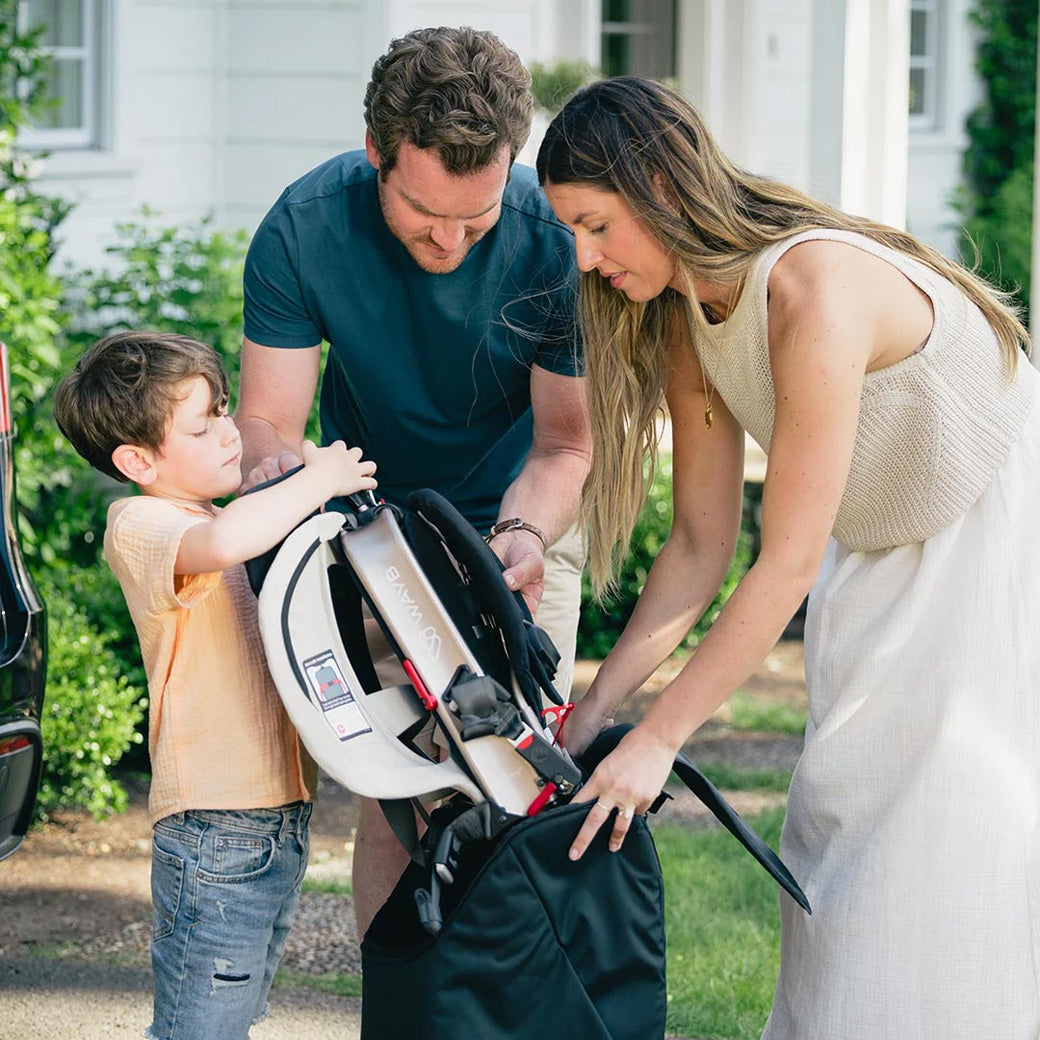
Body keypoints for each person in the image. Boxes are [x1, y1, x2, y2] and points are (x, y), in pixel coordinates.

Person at [536, 77, 1040, 1040]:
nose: (586, 259)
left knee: (941, 829)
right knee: (840, 813)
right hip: (879, 530)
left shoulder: (815, 292)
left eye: (596, 226)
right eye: (572, 234)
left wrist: (661, 739)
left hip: (990, 525)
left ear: (661, 188)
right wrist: (595, 712)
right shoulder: (689, 315)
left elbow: (786, 562)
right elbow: (699, 545)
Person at [235, 25, 591, 938]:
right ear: (376, 152)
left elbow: (564, 446)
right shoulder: (306, 226)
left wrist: (523, 538)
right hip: (372, 525)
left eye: (477, 216)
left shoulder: (554, 240)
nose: (452, 239)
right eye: (426, 212)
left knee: (521, 775)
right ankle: (399, 996)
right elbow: (267, 425)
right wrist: (277, 477)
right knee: (398, 782)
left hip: (519, 516)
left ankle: (512, 996)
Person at [53, 331, 378, 1040]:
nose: (230, 433)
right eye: (203, 426)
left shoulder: (224, 519)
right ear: (138, 461)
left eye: (225, 411)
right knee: (200, 1026)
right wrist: (316, 480)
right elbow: (227, 543)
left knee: (234, 1015)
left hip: (278, 816)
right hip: (215, 824)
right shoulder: (142, 523)